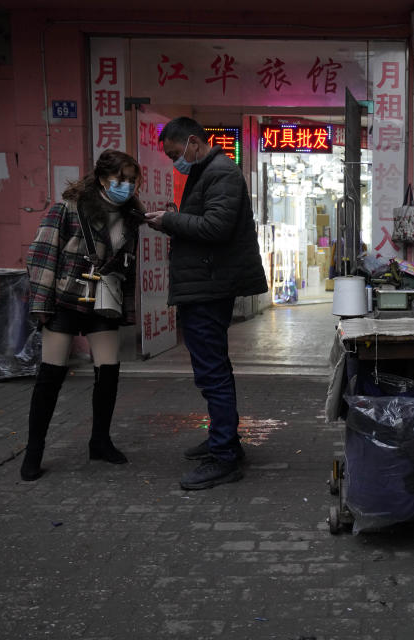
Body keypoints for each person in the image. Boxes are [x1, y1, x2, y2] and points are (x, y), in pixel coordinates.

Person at [146, 117, 268, 490]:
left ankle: (225, 457)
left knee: (212, 374)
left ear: (194, 143)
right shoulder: (208, 171)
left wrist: (170, 220)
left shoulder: (221, 173)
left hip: (209, 286)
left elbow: (215, 227)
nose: (173, 161)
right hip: (205, 283)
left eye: (174, 153)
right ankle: (224, 441)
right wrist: (175, 219)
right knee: (213, 370)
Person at [22, 150, 146, 481]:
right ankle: (33, 452)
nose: (128, 185)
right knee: (51, 375)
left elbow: (126, 268)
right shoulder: (68, 208)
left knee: (109, 371)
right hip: (64, 299)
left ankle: (100, 442)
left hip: (104, 301)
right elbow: (42, 254)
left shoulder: (130, 217)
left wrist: (126, 309)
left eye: (132, 180)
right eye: (122, 179)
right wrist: (41, 304)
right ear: (103, 177)